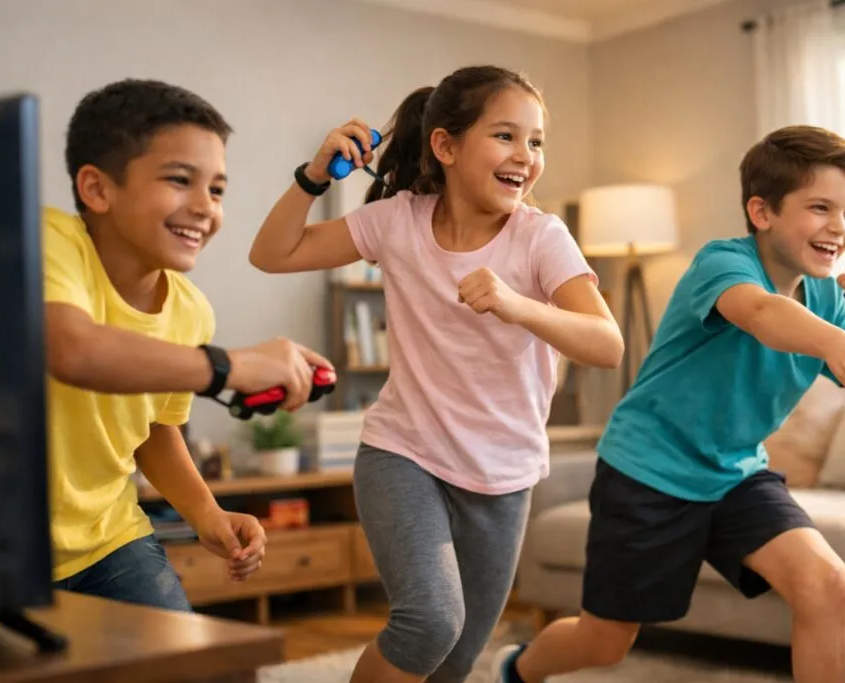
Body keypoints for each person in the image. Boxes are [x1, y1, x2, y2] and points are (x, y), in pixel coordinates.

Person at [494, 125, 845, 683]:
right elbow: (763, 316)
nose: (840, 227)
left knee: (825, 581)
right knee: (605, 643)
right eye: (820, 207)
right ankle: (518, 670)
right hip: (649, 472)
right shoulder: (722, 264)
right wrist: (840, 341)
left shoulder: (823, 302)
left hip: (735, 475)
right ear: (761, 211)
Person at [249, 65, 624, 683]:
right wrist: (314, 176)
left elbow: (607, 344)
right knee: (429, 621)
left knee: (451, 663)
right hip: (405, 453)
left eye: (536, 142)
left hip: (502, 474)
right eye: (506, 136)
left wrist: (517, 304)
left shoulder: (541, 238)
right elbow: (272, 254)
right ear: (445, 146)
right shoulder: (397, 220)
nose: (525, 157)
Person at [45, 78, 335, 611]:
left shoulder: (190, 310)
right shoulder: (50, 242)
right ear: (97, 189)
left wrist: (208, 514)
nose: (205, 206)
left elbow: (155, 429)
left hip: (110, 539)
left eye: (217, 189)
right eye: (181, 180)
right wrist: (230, 367)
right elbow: (73, 351)